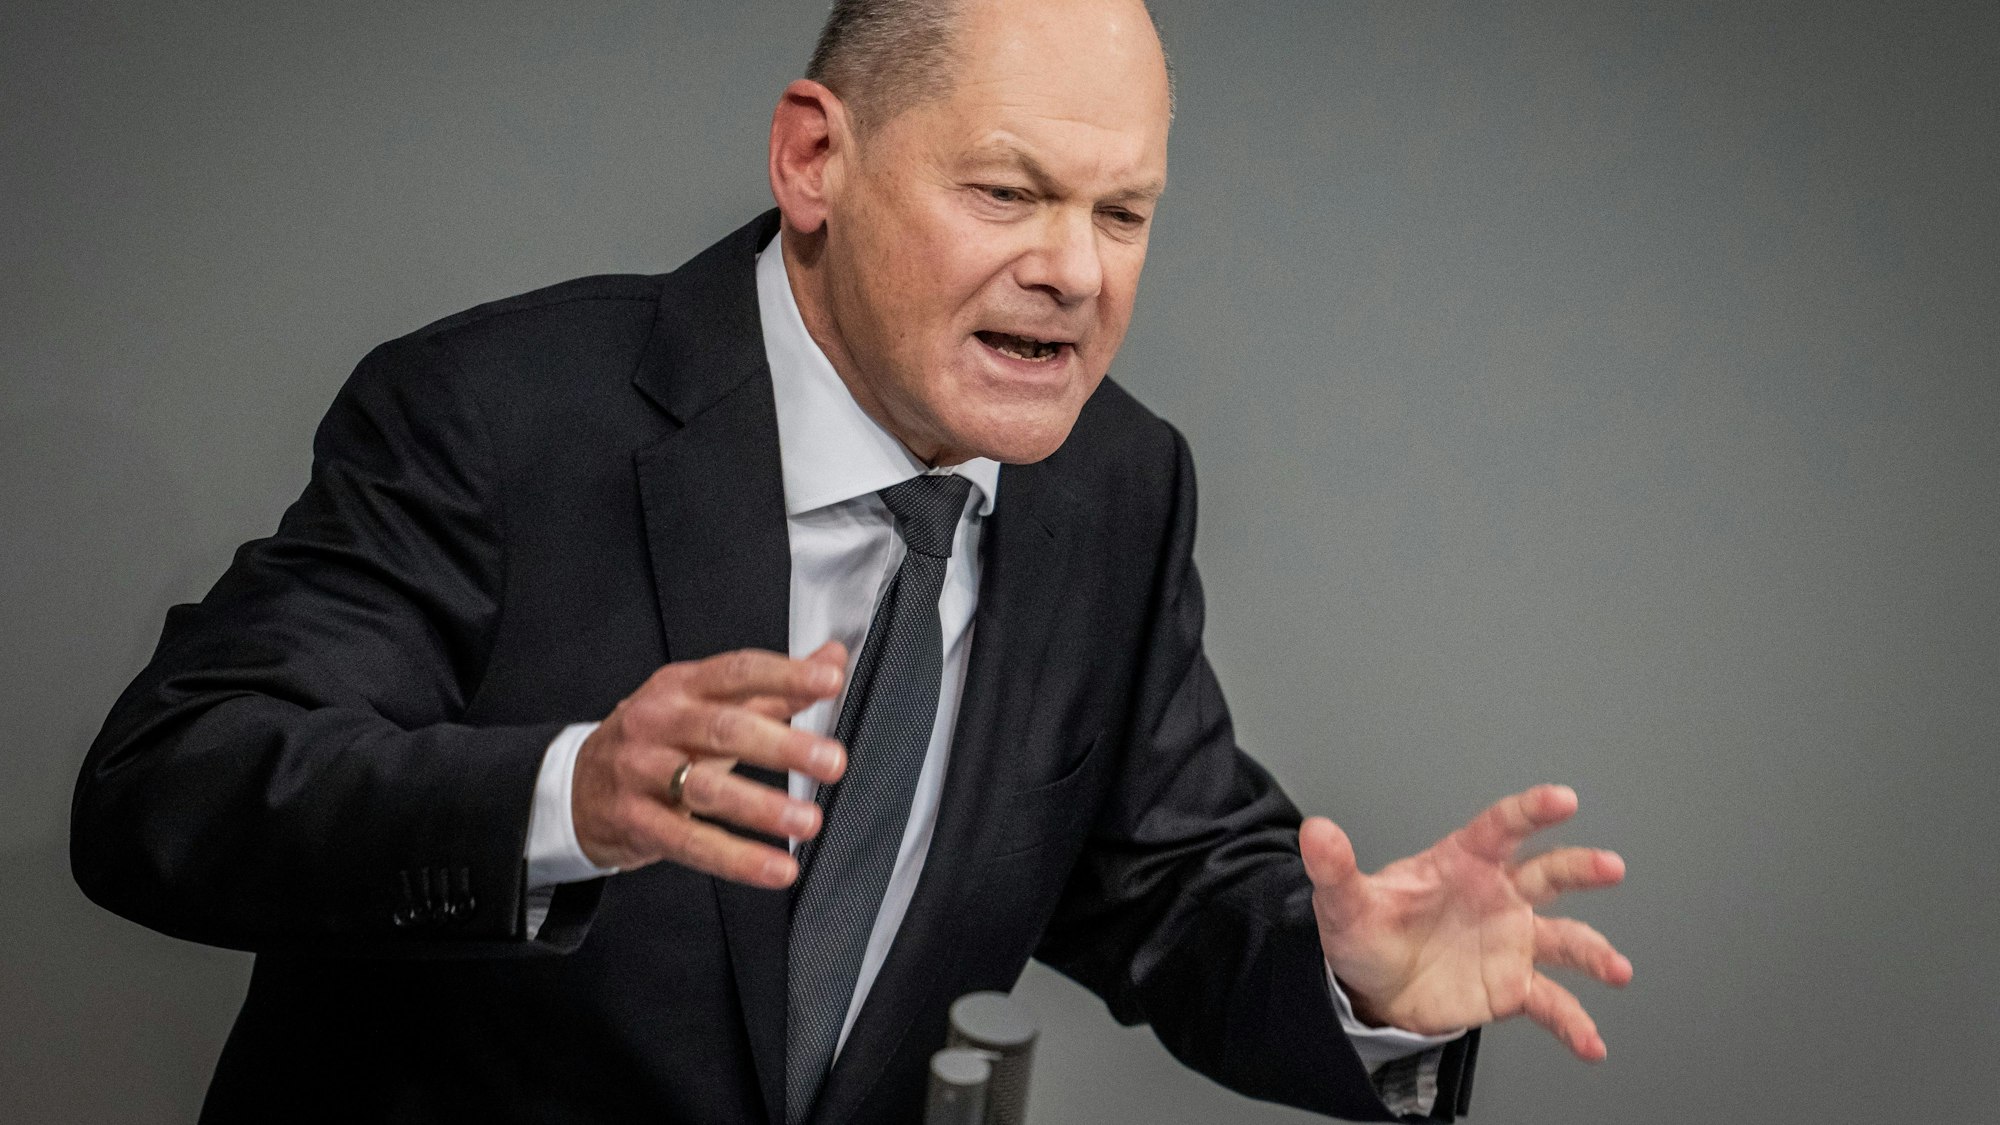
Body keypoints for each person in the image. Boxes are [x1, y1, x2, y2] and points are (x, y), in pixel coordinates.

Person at [70, 1, 1631, 1122]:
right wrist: (569, 798)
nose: (1074, 271)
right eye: (1009, 192)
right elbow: (170, 783)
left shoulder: (1113, 485)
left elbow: (1166, 875)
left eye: (1125, 212)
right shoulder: (495, 416)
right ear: (815, 159)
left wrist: (1360, 981)